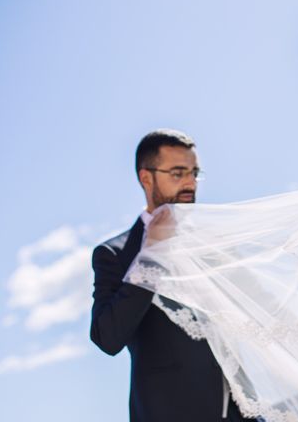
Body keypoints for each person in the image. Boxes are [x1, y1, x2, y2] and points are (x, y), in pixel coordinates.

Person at [90, 129, 249, 422]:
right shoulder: (114, 254)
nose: (190, 183)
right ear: (146, 178)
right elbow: (107, 337)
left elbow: (265, 310)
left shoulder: (214, 246)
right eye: (178, 173)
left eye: (194, 173)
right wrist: (152, 253)